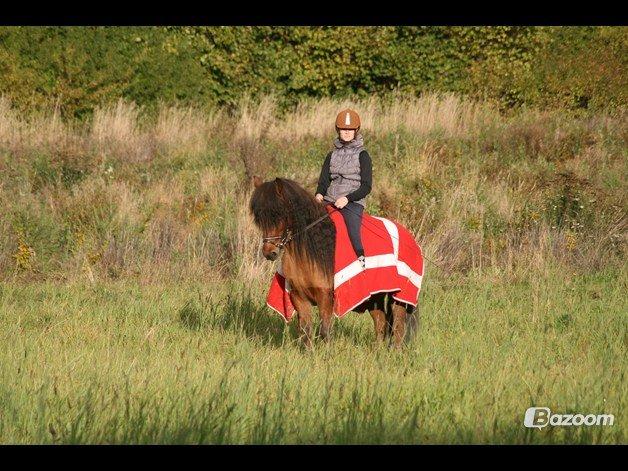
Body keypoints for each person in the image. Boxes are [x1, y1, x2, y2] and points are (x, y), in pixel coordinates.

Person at [315, 109, 372, 270]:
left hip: (352, 202)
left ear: (356, 131)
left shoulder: (363, 155)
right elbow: (323, 181)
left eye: (350, 130)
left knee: (353, 232)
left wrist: (347, 198)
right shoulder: (331, 155)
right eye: (343, 129)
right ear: (338, 130)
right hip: (330, 199)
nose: (346, 133)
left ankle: (361, 264)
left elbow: (367, 186)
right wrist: (319, 194)